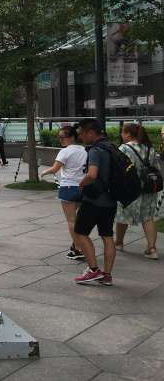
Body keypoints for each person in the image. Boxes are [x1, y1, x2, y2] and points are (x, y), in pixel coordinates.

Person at [73, 118, 117, 286]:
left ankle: (93, 270)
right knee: (107, 236)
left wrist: (82, 183)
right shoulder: (111, 147)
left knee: (80, 232)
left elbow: (92, 174)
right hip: (111, 200)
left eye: (82, 134)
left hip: (94, 200)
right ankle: (107, 275)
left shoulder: (95, 150)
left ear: (91, 133)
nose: (80, 137)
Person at [40, 126, 87, 260]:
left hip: (68, 188)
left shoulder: (65, 151)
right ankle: (78, 244)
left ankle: (78, 248)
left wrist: (44, 172)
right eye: (59, 137)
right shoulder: (84, 150)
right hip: (83, 187)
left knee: (71, 220)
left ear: (71, 137)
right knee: (79, 220)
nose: (60, 140)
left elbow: (55, 169)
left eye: (62, 137)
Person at [116, 123, 160, 259]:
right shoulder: (149, 148)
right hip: (149, 187)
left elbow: (118, 168)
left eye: (123, 132)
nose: (121, 135)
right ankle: (152, 249)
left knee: (122, 215)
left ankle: (119, 243)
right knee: (148, 217)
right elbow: (156, 167)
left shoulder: (124, 148)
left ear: (129, 134)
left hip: (130, 188)